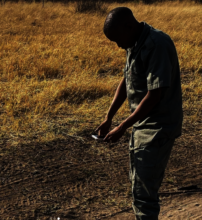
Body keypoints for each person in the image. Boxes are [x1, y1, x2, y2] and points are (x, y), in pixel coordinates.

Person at [95, 7, 183, 220]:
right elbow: (127, 79)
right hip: (142, 125)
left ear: (128, 26)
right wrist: (109, 117)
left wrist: (122, 126)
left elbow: (155, 95)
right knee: (139, 186)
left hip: (158, 126)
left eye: (117, 39)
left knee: (144, 194)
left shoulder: (157, 44)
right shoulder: (134, 42)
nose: (118, 46)